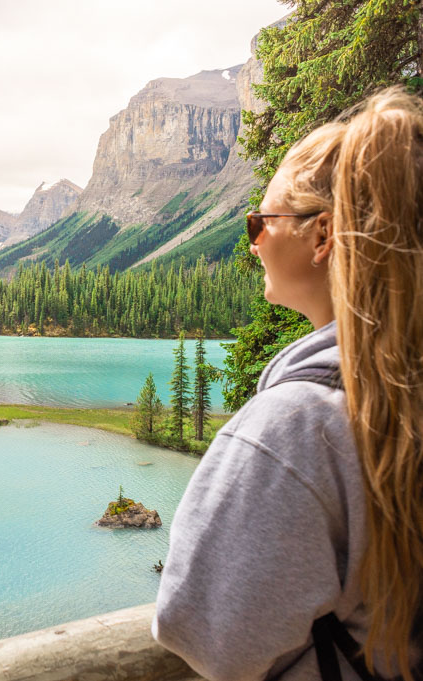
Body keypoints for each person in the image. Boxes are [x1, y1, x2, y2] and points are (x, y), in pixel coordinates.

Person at [153, 87, 423, 681]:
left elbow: (203, 629)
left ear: (321, 236)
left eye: (261, 221)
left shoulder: (299, 424)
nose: (252, 241)